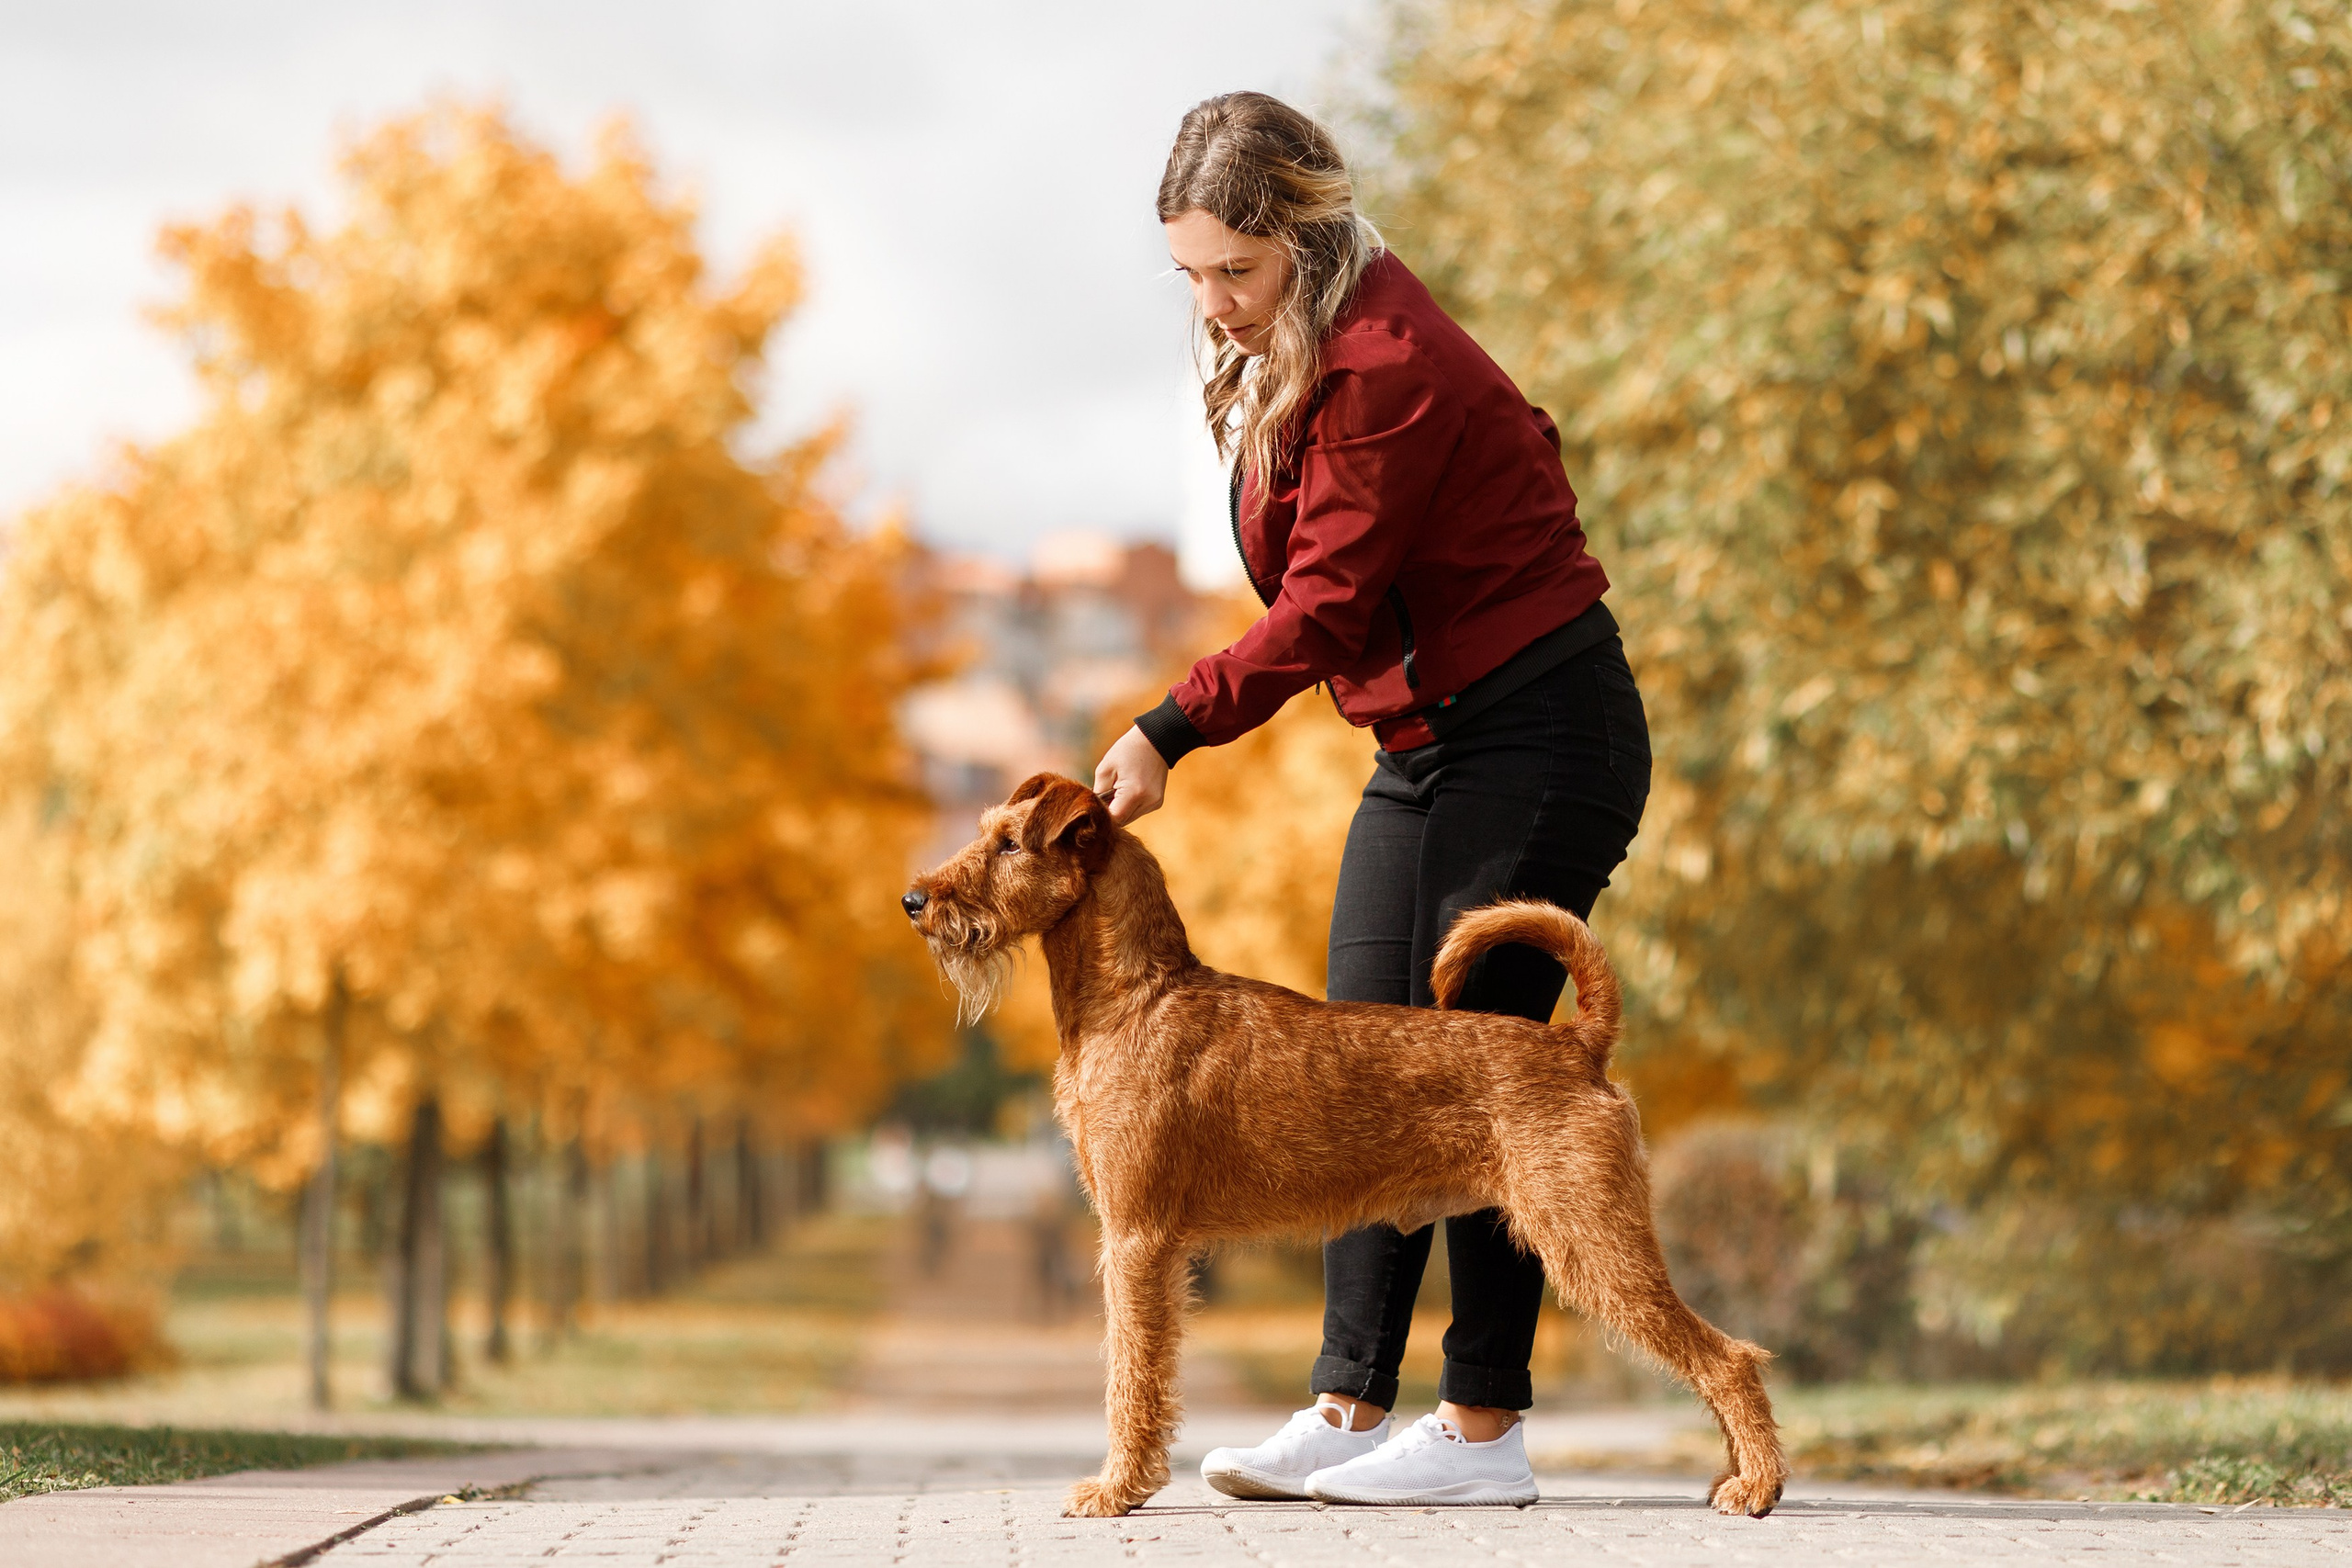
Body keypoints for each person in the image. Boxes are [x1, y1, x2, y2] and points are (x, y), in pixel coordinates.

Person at [1091, 91, 1652, 1508]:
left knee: (1479, 1073)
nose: (1214, 303)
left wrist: (1171, 726)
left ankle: (1483, 1431)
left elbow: (1328, 604)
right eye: (1191, 275)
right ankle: (1347, 1407)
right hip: (1426, 744)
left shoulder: (1386, 359)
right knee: (1353, 1067)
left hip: (1540, 734)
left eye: (1237, 269)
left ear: (1307, 232)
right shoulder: (1300, 347)